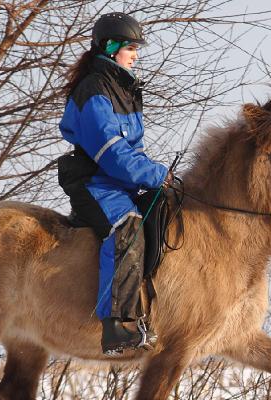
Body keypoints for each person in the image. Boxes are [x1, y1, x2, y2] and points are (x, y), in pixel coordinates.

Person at [58, 12, 172, 356]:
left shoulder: (124, 88)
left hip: (118, 182)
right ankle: (117, 325)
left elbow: (129, 150)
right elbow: (112, 152)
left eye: (136, 47)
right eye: (130, 47)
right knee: (128, 226)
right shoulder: (94, 89)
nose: (135, 54)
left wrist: (158, 180)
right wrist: (155, 174)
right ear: (110, 48)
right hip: (95, 182)